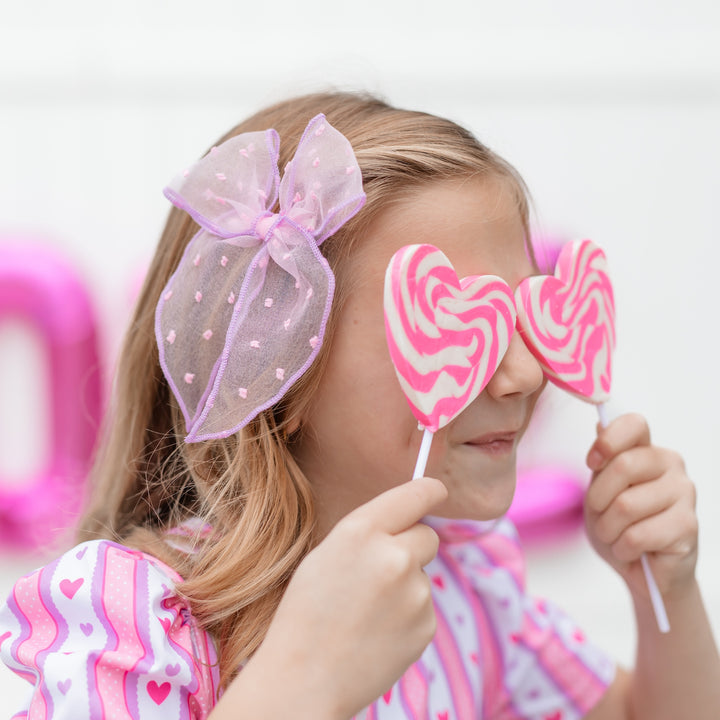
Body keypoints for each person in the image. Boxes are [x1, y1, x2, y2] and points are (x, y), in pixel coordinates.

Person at [1, 92, 718, 720]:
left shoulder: (464, 584)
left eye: (519, 312)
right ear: (275, 370)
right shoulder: (134, 620)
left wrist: (668, 591)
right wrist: (303, 686)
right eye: (456, 322)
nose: (525, 374)